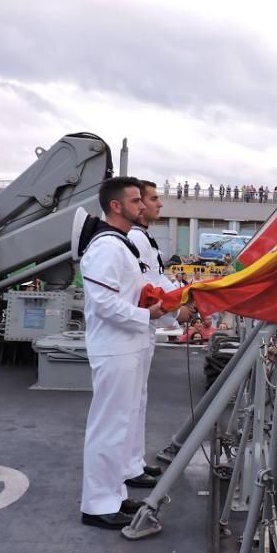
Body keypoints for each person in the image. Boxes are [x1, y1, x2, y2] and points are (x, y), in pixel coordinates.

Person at [78, 177, 166, 530]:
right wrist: (148, 314)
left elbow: (129, 292)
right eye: (135, 201)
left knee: (121, 423)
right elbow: (103, 303)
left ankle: (112, 494)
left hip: (127, 345)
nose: (142, 206)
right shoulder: (105, 247)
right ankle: (97, 504)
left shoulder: (120, 245)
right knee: (109, 427)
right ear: (116, 206)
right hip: (114, 349)